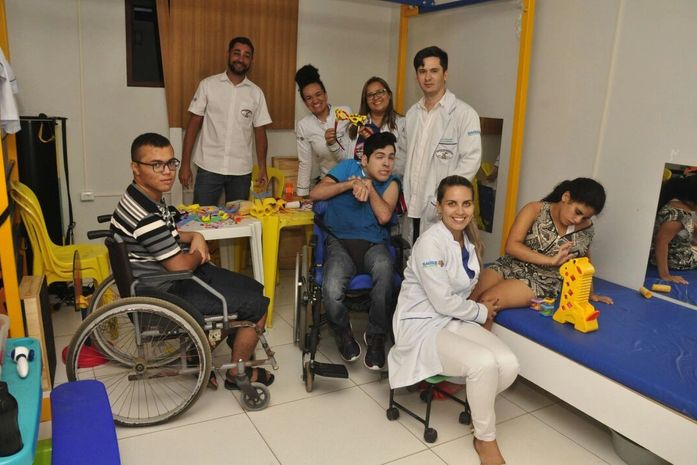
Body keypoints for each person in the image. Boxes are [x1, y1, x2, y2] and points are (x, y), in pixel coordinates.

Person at [112, 133, 274, 390]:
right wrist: (199, 253)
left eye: (171, 162)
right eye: (156, 165)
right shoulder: (145, 216)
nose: (167, 171)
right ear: (136, 167)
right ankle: (237, 373)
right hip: (168, 289)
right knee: (258, 305)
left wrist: (196, 236)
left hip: (158, 281)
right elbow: (180, 266)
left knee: (253, 287)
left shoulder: (142, 197)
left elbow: (169, 234)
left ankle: (209, 348)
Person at [388, 175, 518, 465]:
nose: (460, 211)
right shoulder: (430, 243)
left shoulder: (468, 241)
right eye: (452, 204)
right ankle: (485, 438)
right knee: (483, 363)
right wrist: (481, 312)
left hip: (451, 319)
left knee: (509, 364)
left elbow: (459, 294)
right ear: (439, 207)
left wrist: (474, 309)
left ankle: (479, 406)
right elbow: (442, 301)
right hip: (422, 324)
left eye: (466, 204)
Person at [309, 132, 400, 370]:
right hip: (340, 243)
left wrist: (369, 188)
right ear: (364, 159)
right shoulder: (347, 167)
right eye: (380, 157)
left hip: (374, 245)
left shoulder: (392, 183)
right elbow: (316, 193)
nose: (387, 163)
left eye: (391, 157)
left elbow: (384, 216)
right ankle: (342, 330)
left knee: (385, 271)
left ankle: (376, 335)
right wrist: (351, 184)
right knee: (331, 287)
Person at [471, 178, 613, 315]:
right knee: (468, 299)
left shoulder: (586, 229)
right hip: (508, 265)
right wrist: (550, 260)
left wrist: (589, 293)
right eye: (578, 212)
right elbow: (512, 247)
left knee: (487, 303)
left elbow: (584, 261)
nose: (578, 220)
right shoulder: (535, 209)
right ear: (566, 197)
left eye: (585, 217)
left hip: (542, 281)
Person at [399, 46, 482, 241]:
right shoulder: (412, 114)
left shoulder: (464, 114)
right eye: (422, 71)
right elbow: (403, 157)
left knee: (441, 256)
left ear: (445, 74)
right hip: (412, 206)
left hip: (443, 210)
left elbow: (471, 161)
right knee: (413, 255)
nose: (427, 77)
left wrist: (444, 198)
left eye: (434, 71)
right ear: (416, 76)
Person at [179, 37, 272, 205]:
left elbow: (260, 132)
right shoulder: (208, 85)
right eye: (237, 53)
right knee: (202, 217)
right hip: (209, 167)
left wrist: (262, 167)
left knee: (238, 218)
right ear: (228, 54)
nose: (241, 59)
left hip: (241, 171)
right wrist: (184, 164)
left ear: (251, 60)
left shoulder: (256, 93)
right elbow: (193, 125)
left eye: (246, 55)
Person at [295, 64, 351, 197]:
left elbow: (352, 151)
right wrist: (302, 195)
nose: (315, 100)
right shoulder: (303, 126)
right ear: (305, 102)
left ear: (325, 95)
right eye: (309, 98)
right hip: (327, 184)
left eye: (318, 94)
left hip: (351, 181)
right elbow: (305, 163)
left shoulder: (344, 112)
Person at [650, 175, 697, 284]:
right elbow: (661, 242)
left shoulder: (676, 203)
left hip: (674, 253)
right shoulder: (679, 216)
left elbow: (689, 225)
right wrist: (665, 275)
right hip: (676, 259)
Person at [346, 77, 405, 162]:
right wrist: (333, 144)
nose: (375, 97)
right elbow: (345, 158)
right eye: (370, 95)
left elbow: (402, 161)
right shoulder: (354, 124)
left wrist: (374, 139)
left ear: (389, 95)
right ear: (366, 101)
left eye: (380, 92)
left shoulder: (403, 124)